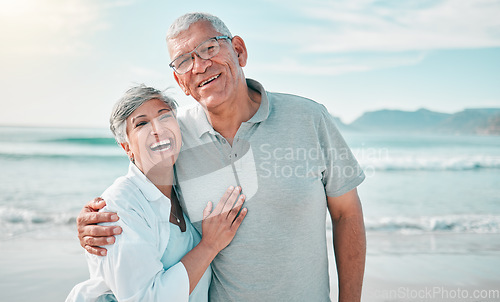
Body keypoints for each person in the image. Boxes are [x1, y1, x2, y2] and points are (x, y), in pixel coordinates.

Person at [77, 13, 366, 301]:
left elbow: (347, 213)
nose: (200, 66)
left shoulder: (309, 118)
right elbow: (140, 189)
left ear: (238, 51)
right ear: (180, 81)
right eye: (184, 60)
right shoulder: (175, 135)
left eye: (209, 48)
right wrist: (94, 221)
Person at [67, 85, 247, 301]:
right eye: (141, 123)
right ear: (126, 147)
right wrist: (209, 246)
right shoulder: (119, 207)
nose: (158, 129)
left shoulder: (186, 190)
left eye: (164, 117)